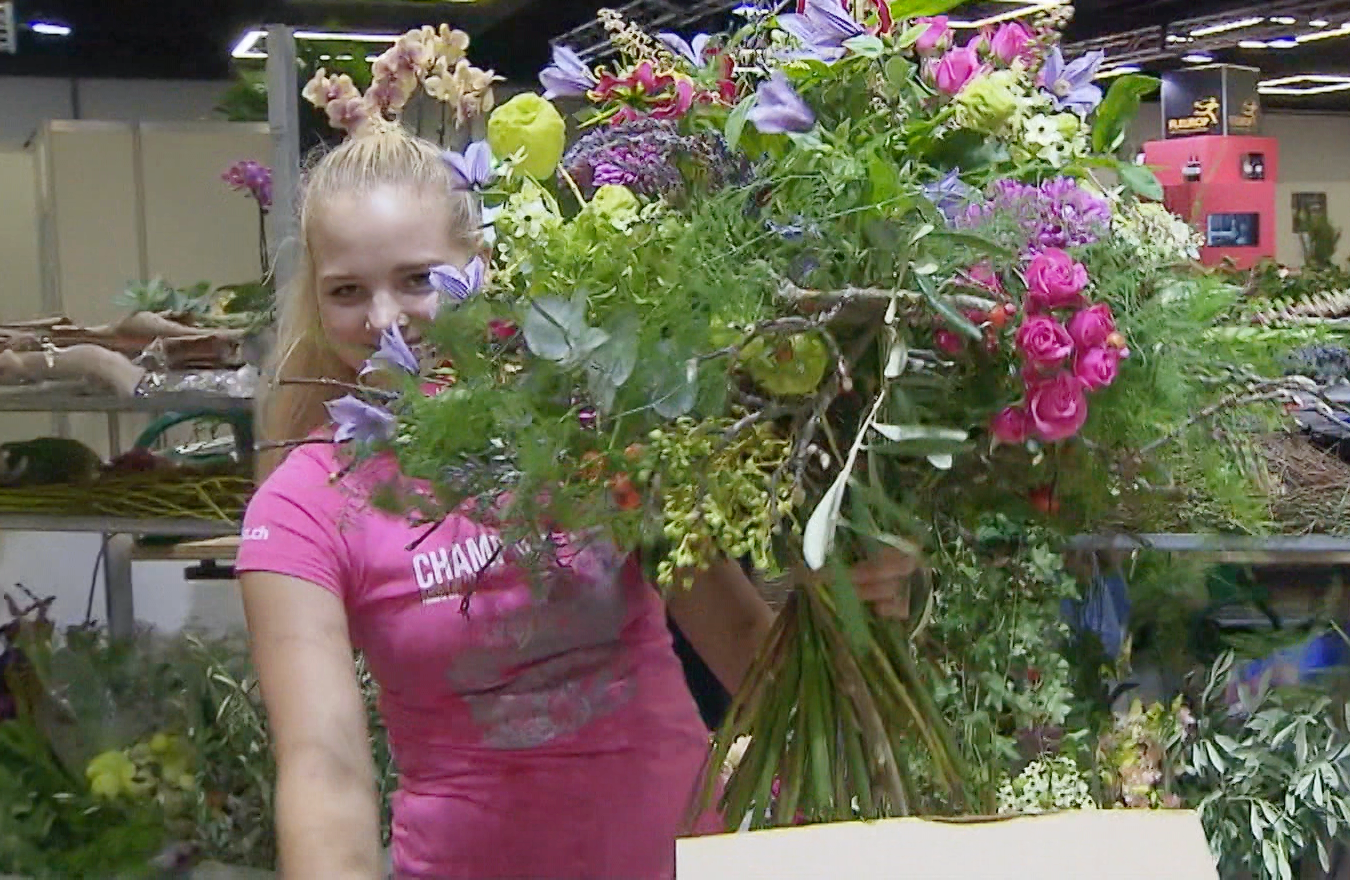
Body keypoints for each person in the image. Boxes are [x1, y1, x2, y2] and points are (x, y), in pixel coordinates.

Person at [236, 125, 917, 880]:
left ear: (482, 267)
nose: (385, 319)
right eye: (347, 292)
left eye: (419, 279)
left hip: (685, 858)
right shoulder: (299, 508)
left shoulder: (596, 430)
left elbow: (747, 654)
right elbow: (322, 769)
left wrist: (839, 605)